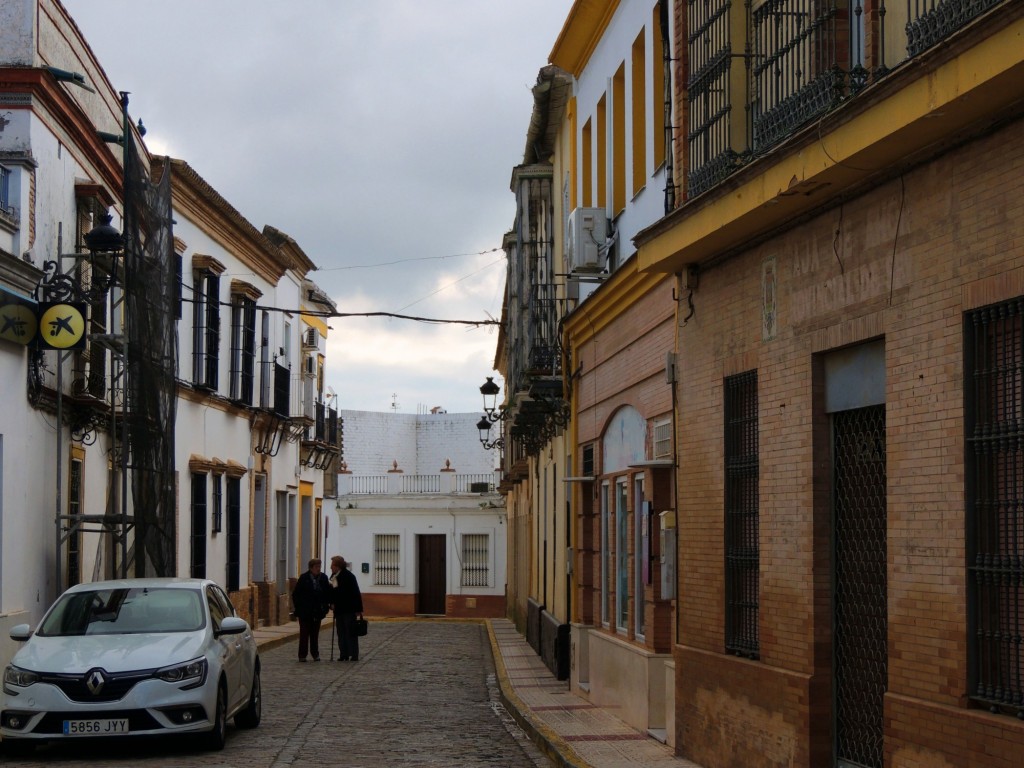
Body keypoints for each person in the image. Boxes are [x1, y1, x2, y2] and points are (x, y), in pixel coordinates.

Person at [291, 558, 331, 662]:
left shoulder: (323, 578)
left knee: (315, 634)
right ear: (311, 568)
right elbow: (296, 594)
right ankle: (302, 655)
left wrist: (326, 607)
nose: (318, 569)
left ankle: (315, 654)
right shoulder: (304, 578)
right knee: (304, 634)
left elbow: (327, 593)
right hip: (305, 611)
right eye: (316, 567)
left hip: (317, 611)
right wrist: (299, 607)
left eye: (319, 566)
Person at [329, 555, 364, 661]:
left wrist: (358, 609)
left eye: (332, 565)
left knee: (351, 632)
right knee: (341, 632)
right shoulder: (334, 577)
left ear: (338, 566)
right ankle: (343, 654)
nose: (330, 567)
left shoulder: (349, 576)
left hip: (349, 609)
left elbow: (356, 593)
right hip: (339, 609)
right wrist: (331, 602)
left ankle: (353, 654)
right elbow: (333, 592)